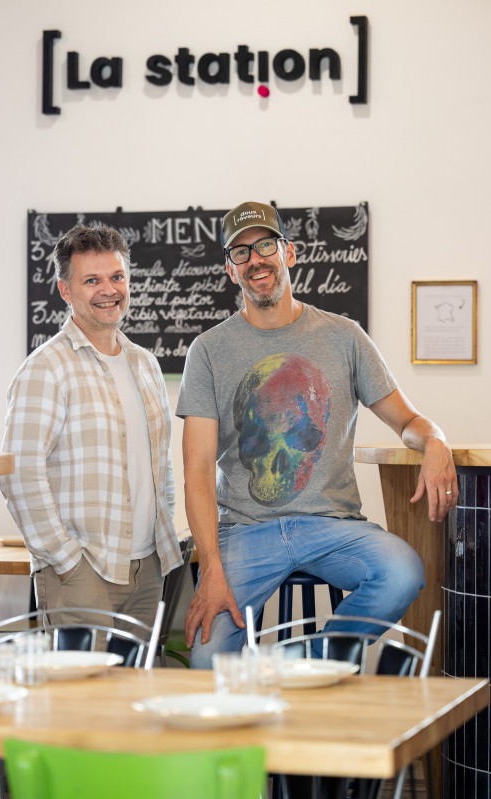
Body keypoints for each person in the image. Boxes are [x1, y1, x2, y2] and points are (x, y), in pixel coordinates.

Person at [176, 200, 458, 668]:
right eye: (241, 253)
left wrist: (436, 441)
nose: (255, 260)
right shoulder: (207, 351)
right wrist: (210, 568)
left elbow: (408, 421)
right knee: (207, 660)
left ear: (288, 252)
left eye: (264, 245)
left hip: (332, 526)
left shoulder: (344, 336)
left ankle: (311, 664)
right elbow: (199, 469)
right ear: (231, 270)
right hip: (244, 531)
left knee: (402, 571)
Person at [0, 223, 181, 630]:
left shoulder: (145, 364)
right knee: (80, 694)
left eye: (117, 277)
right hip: (83, 573)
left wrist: (162, 535)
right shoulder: (45, 368)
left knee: (138, 689)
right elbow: (18, 472)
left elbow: (160, 465)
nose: (109, 290)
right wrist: (66, 562)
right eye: (92, 280)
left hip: (149, 568)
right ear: (66, 290)